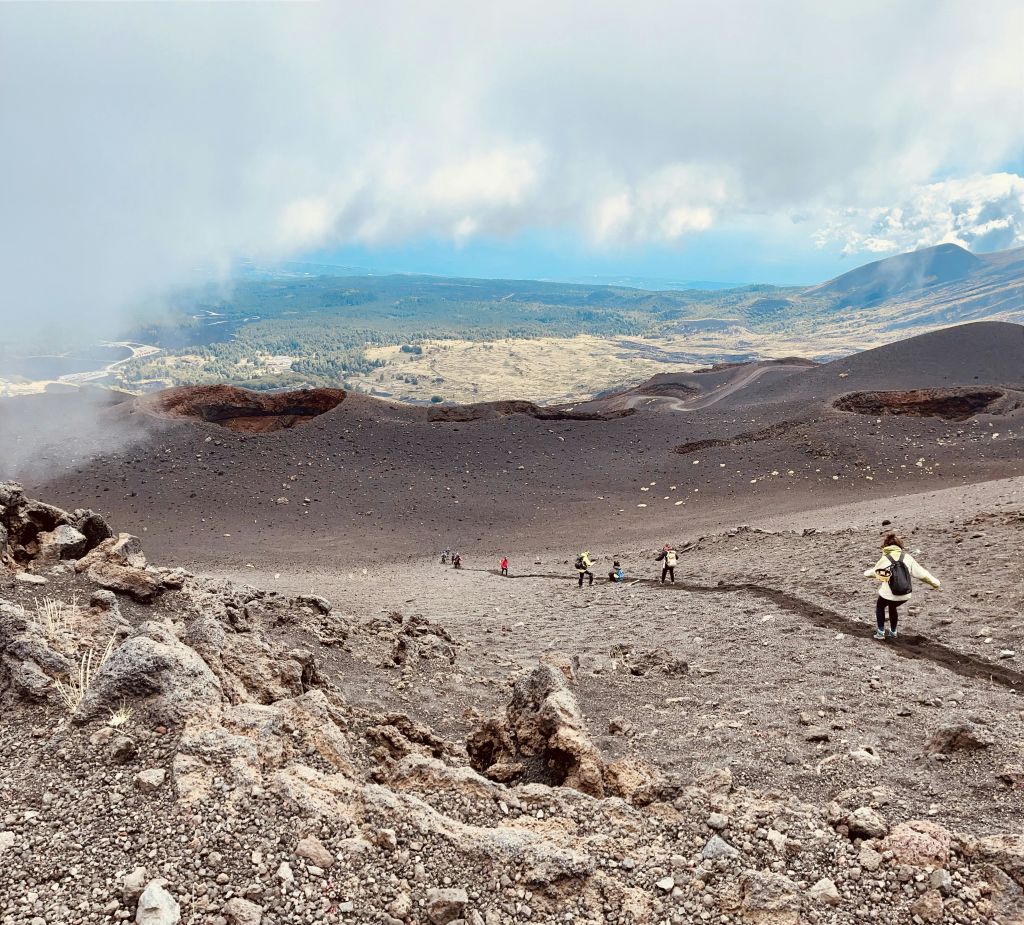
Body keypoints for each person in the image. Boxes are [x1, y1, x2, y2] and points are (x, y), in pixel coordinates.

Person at [863, 532, 940, 640]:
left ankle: (880, 632)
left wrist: (865, 573)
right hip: (905, 594)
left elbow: (874, 572)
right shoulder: (907, 557)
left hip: (888, 594)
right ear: (900, 546)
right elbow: (922, 574)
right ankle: (893, 632)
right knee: (892, 606)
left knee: (880, 607)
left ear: (886, 546)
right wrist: (936, 583)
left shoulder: (885, 558)